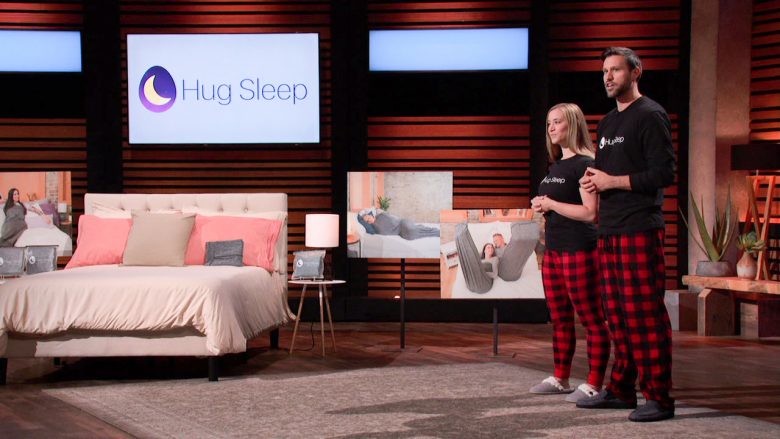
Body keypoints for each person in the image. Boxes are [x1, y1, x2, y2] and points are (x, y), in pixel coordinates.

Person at [577, 47, 676, 422]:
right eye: (604, 71)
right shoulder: (607, 123)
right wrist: (593, 181)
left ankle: (659, 397)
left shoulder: (650, 115)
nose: (608, 77)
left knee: (644, 315)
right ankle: (621, 390)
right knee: (616, 315)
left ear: (636, 72)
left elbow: (663, 174)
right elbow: (606, 175)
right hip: (610, 229)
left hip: (639, 227)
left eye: (615, 70)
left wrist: (612, 181)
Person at [528, 103, 609, 404]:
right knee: (560, 319)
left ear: (572, 124)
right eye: (548, 123)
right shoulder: (556, 166)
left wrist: (550, 204)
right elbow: (559, 205)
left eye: (557, 122)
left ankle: (594, 383)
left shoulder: (585, 164)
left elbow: (590, 212)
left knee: (591, 319)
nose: (551, 128)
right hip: (554, 251)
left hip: (579, 250)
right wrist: (541, 205)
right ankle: (560, 378)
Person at [358, 210, 440, 240]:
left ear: (371, 215)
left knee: (411, 229)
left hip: (402, 222)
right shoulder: (375, 228)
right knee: (410, 234)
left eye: (368, 217)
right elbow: (384, 231)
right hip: (401, 232)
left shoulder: (381, 215)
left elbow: (393, 219)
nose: (369, 220)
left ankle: (436, 232)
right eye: (367, 221)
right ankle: (432, 231)